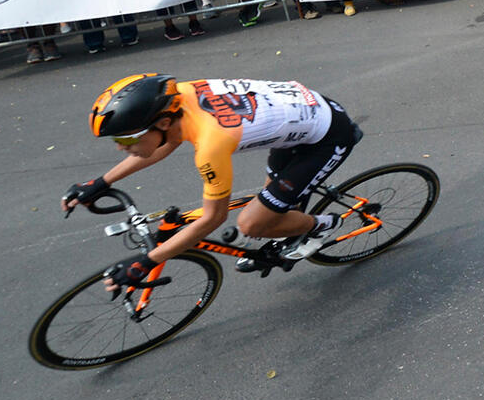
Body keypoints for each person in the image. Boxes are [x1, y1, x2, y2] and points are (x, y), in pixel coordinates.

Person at [68, 74, 363, 292]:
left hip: (327, 137)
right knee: (270, 207)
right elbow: (164, 144)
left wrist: (146, 260)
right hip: (300, 117)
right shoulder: (175, 101)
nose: (120, 148)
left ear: (161, 123)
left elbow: (213, 219)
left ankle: (321, 226)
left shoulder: (211, 145)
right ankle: (288, 229)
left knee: (252, 224)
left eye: (124, 139)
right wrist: (100, 181)